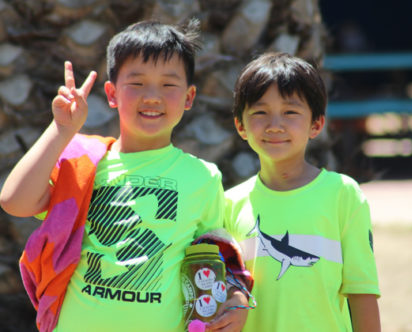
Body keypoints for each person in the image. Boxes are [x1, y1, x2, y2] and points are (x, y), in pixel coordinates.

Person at [0, 20, 249, 332]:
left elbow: (213, 260)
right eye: (137, 83)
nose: (153, 97)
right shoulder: (83, 162)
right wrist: (61, 130)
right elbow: (14, 201)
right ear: (111, 93)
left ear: (189, 97)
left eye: (169, 85)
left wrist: (236, 300)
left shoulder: (204, 177)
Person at [223, 52, 381, 332]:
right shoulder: (228, 204)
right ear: (240, 126)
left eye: (290, 112)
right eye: (260, 112)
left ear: (316, 125)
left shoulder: (343, 194)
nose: (275, 125)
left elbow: (362, 292)